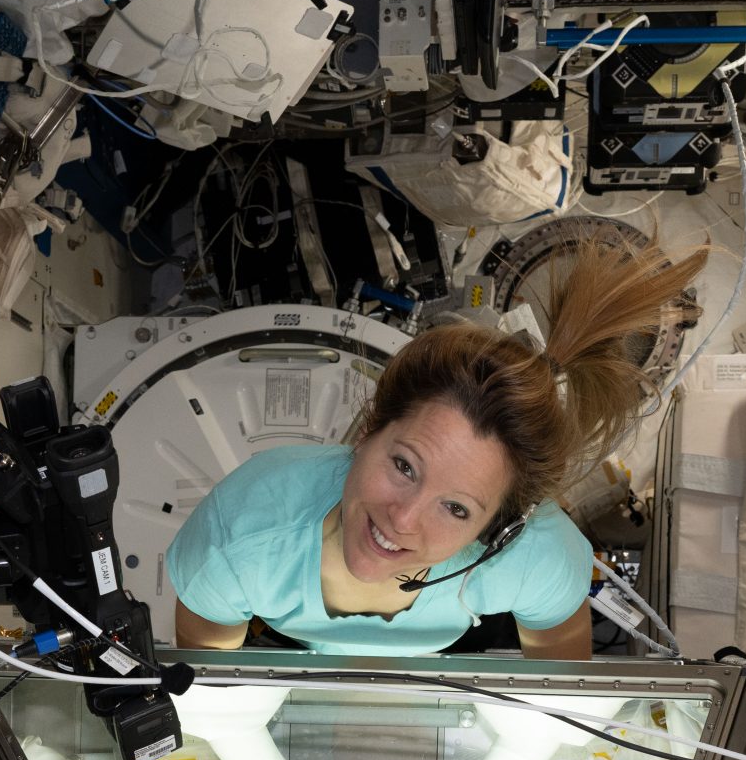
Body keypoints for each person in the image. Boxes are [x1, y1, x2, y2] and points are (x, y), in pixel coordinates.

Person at [167, 240, 705, 658]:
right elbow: (213, 687)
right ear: (367, 431)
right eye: (404, 466)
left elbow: (560, 688)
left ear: (500, 530)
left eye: (456, 508)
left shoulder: (538, 555)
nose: (402, 520)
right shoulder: (238, 536)